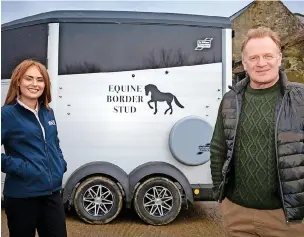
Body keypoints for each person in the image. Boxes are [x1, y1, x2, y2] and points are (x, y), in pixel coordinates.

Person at [210, 27, 304, 237]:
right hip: (238, 216)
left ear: (279, 58)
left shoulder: (300, 99)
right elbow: (217, 150)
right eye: (253, 57)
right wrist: (222, 199)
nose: (261, 63)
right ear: (244, 63)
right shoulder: (230, 100)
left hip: (288, 220)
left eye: (268, 56)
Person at [1, 59, 68, 237]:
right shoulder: (7, 114)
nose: (34, 84)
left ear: (45, 84)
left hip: (52, 194)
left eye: (40, 80)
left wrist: (60, 165)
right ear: (18, 81)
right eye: (28, 78)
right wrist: (23, 168)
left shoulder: (48, 112)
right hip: (22, 197)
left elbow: (54, 144)